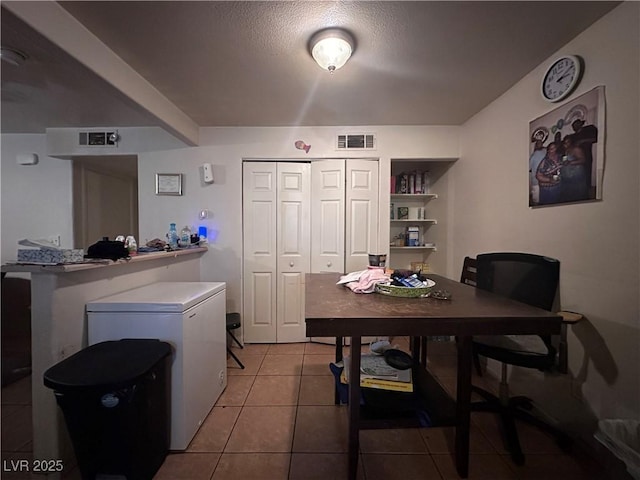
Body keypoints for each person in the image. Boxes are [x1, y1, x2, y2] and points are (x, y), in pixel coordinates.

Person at [571, 119, 598, 196]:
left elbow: (596, 138)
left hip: (586, 157)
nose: (575, 127)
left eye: (576, 124)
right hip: (575, 159)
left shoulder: (588, 129)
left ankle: (586, 194)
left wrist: (583, 141)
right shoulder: (573, 136)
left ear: (581, 124)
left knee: (586, 176)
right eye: (573, 126)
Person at [559, 135, 589, 202]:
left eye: (568, 142)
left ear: (571, 142)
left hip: (576, 175)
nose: (566, 144)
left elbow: (583, 160)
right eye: (565, 142)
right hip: (567, 176)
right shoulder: (565, 150)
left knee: (577, 194)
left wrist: (570, 162)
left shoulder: (576, 149)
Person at [528, 139, 546, 205]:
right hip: (545, 180)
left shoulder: (534, 155)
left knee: (536, 201)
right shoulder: (546, 152)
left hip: (536, 180)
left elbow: (528, 167)